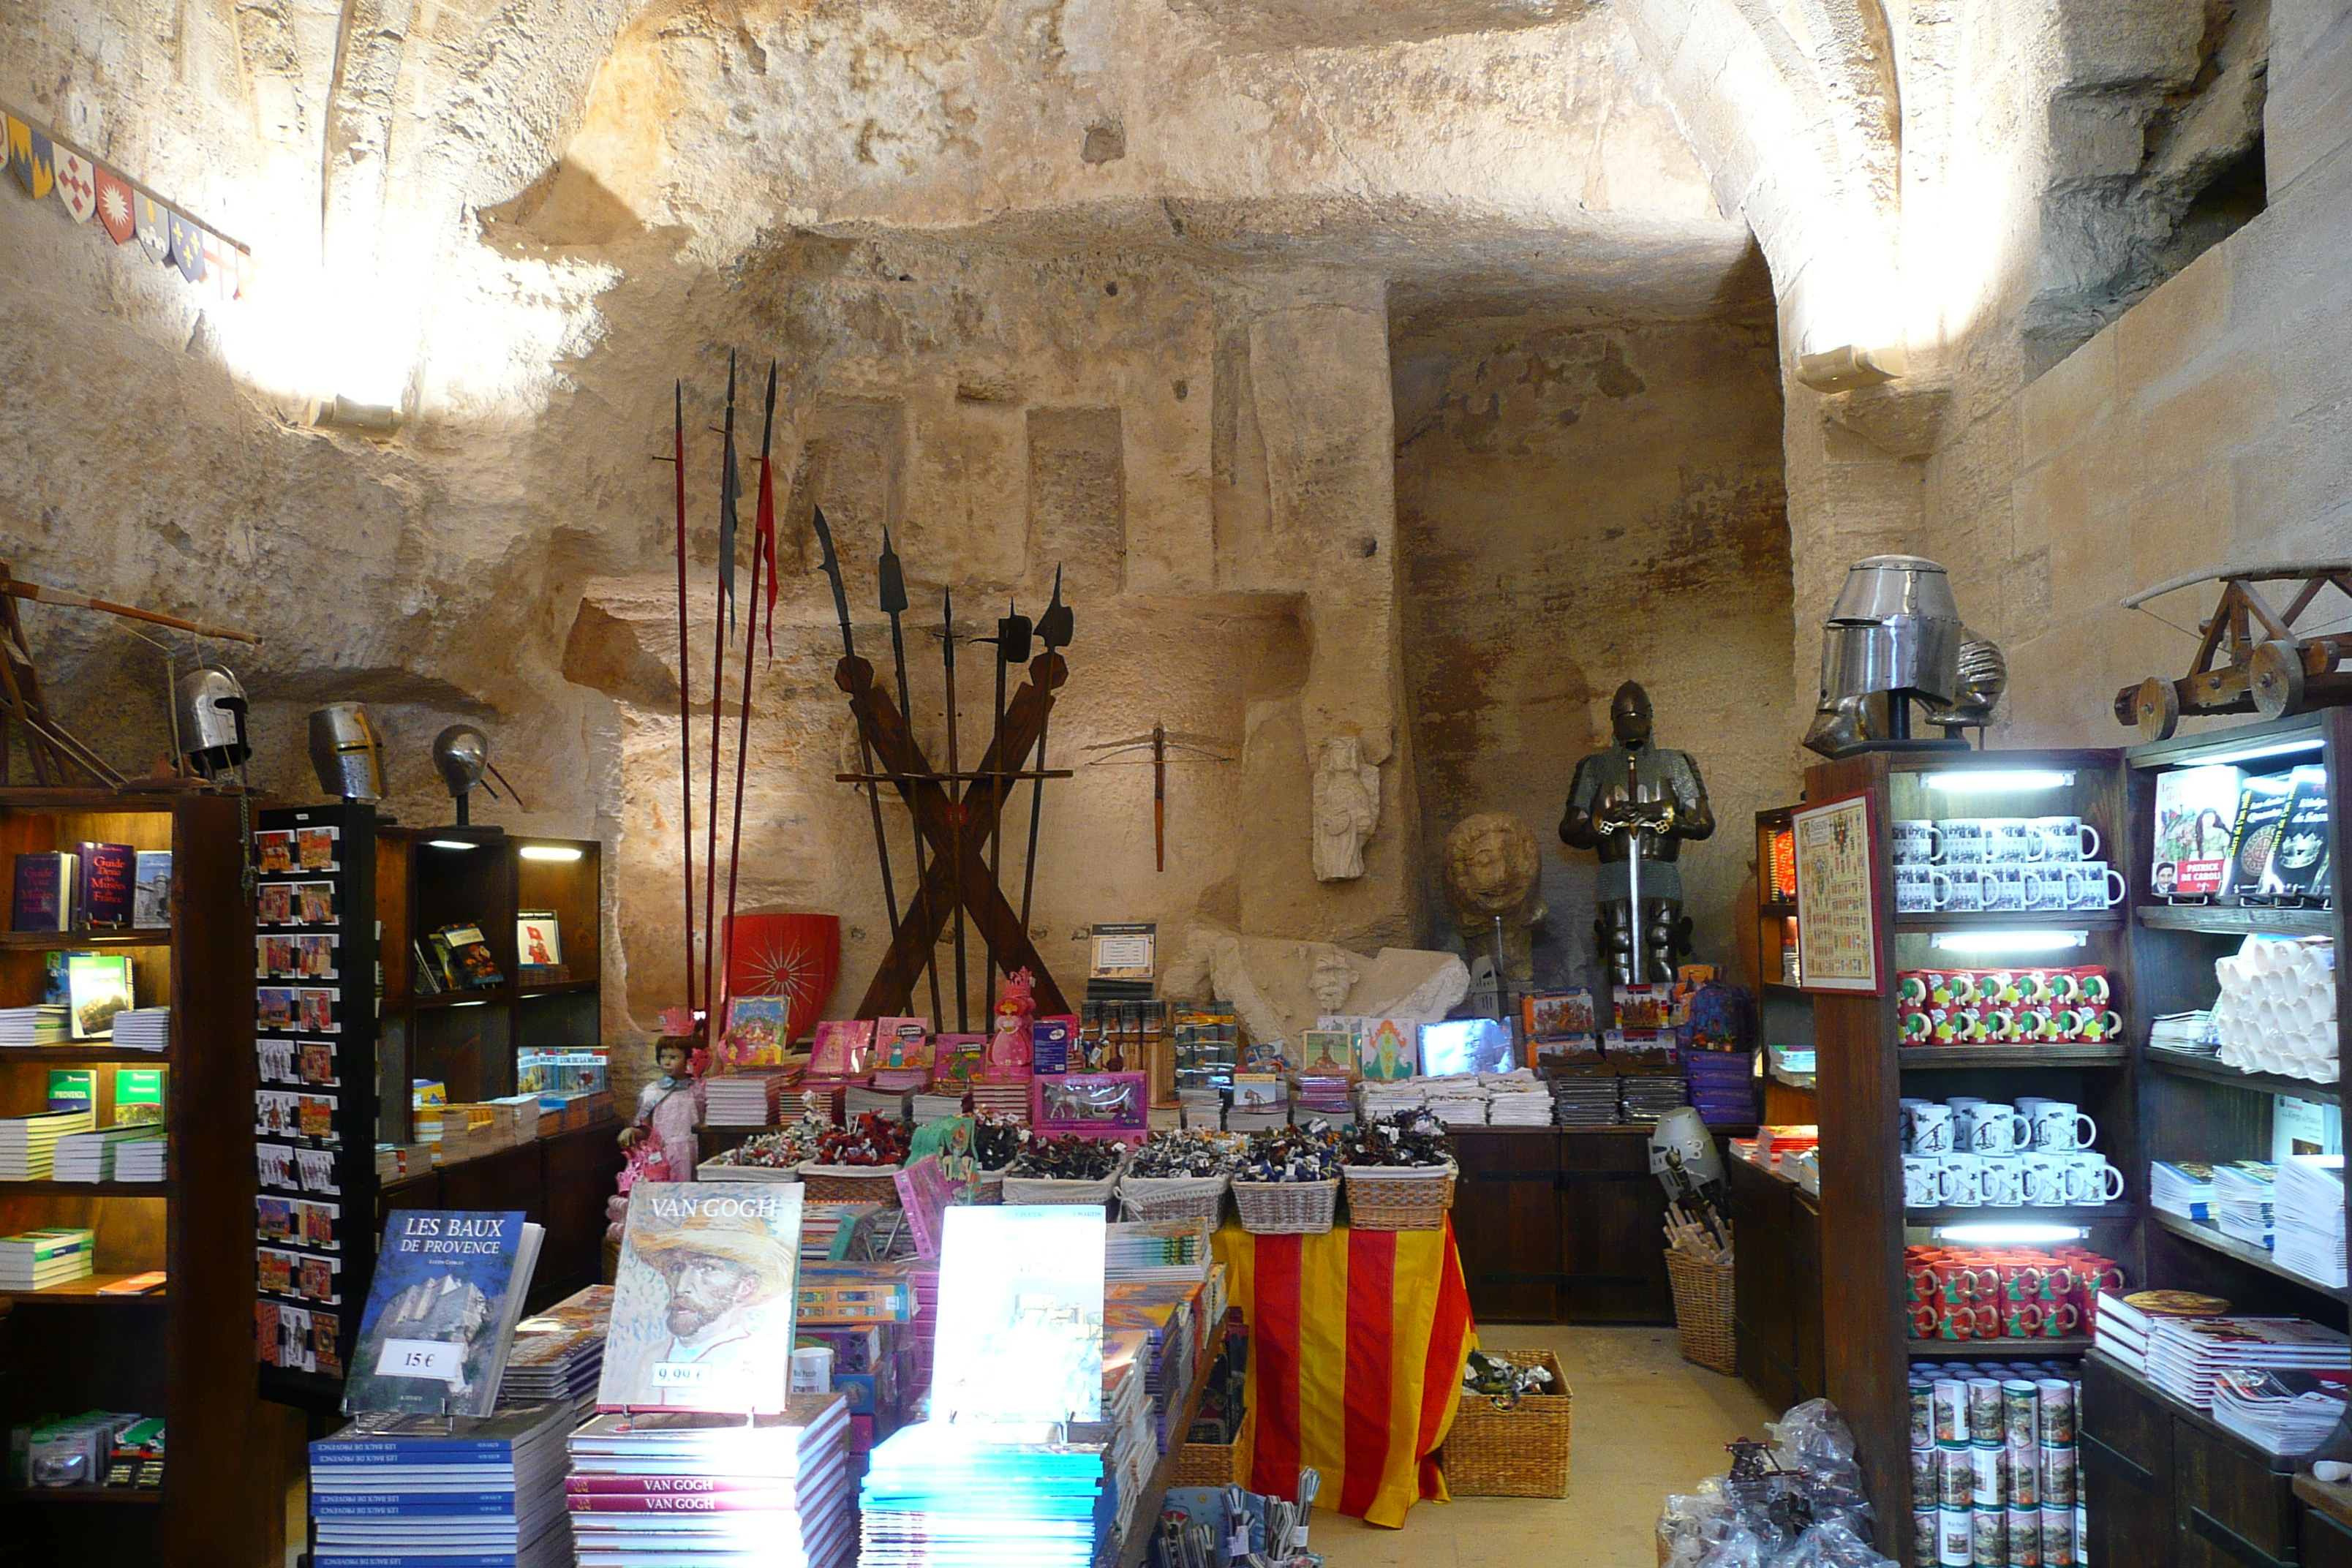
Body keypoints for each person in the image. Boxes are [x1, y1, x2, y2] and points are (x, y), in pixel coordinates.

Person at [1559, 682, 1714, 984]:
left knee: (1662, 940)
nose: (1631, 725)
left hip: (1660, 869)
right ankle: (1624, 1022)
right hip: (1615, 872)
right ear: (1613, 721)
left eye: (1637, 717)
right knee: (1619, 943)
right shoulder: (1593, 767)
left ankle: (1667, 1021)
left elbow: (1703, 823)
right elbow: (1569, 829)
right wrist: (1602, 821)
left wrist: (1664, 814)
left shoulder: (1676, 763)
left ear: (1650, 717)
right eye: (1623, 719)